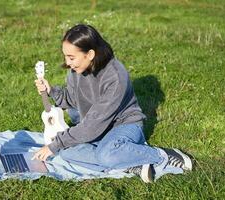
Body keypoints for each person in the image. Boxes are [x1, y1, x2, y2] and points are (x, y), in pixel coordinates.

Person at [32, 24, 193, 182]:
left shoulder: (115, 76)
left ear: (90, 54)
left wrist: (54, 145)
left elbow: (92, 126)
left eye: (71, 57)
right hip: (97, 131)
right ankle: (127, 162)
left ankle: (162, 155)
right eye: (65, 56)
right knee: (66, 152)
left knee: (104, 154)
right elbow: (73, 99)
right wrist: (51, 90)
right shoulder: (75, 71)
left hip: (124, 126)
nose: (67, 63)